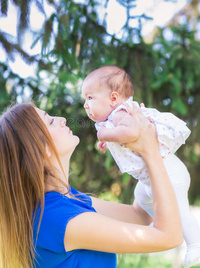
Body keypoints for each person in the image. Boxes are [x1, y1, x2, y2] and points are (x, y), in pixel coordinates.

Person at [0, 102, 182, 268]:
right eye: (50, 121)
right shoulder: (56, 217)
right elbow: (169, 236)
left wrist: (141, 154)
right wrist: (151, 151)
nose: (62, 120)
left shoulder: (67, 198)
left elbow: (140, 215)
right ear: (40, 149)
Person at [81, 65, 200, 268]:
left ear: (113, 98)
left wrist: (104, 135)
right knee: (143, 199)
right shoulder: (114, 118)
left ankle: (196, 244)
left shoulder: (120, 113)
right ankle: (161, 221)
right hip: (151, 177)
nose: (85, 105)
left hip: (169, 174)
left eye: (90, 98)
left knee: (179, 210)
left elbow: (131, 133)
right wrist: (108, 140)